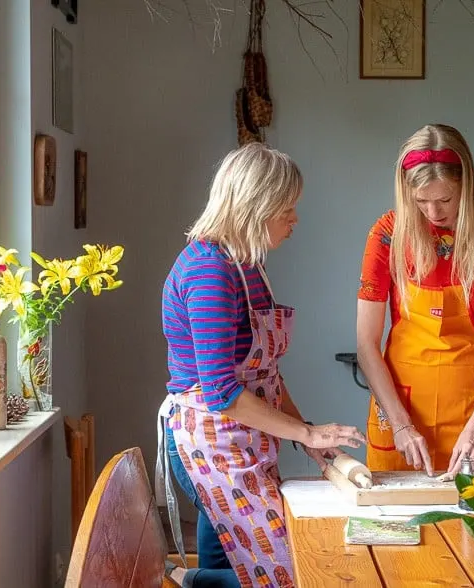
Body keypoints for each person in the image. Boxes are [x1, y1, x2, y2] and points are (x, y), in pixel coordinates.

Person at [157, 142, 366, 587]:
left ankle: (191, 580)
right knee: (284, 576)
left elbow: (264, 373)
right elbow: (223, 394)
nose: (294, 219)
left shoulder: (247, 264)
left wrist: (306, 433)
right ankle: (175, 580)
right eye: (287, 208)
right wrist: (306, 433)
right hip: (211, 444)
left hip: (244, 439)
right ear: (257, 205)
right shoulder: (208, 272)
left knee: (229, 567)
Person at [356, 123, 474, 477]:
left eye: (445, 199)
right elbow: (366, 343)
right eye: (421, 202)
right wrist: (401, 424)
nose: (433, 212)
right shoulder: (387, 235)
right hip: (402, 409)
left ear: (466, 185)